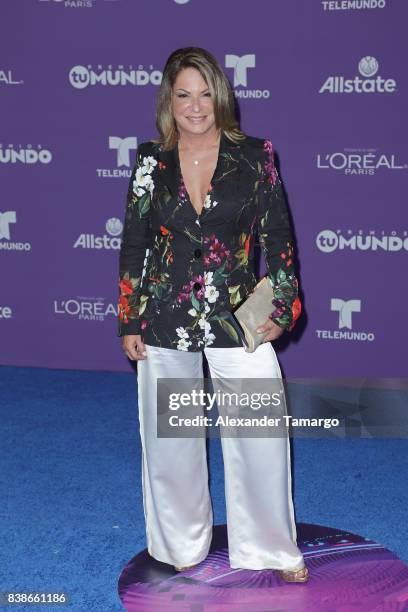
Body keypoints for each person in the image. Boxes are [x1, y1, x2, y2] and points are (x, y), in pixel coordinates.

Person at [117, 46, 308, 583]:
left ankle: (270, 546)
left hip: (237, 315)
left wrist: (285, 303)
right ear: (168, 100)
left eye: (205, 93)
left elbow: (279, 238)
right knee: (172, 439)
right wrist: (130, 317)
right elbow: (134, 244)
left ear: (220, 96)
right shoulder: (149, 161)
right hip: (165, 316)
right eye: (183, 95)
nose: (195, 106)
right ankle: (182, 542)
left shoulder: (255, 156)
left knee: (261, 433)